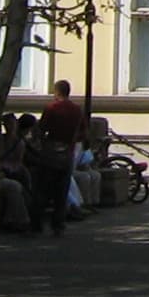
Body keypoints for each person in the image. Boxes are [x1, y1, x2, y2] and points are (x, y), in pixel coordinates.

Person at [33, 78, 85, 235]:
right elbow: (83, 132)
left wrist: (42, 144)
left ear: (56, 92)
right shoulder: (77, 109)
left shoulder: (51, 108)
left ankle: (37, 225)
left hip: (51, 152)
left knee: (43, 189)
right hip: (68, 152)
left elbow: (42, 129)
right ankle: (58, 225)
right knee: (62, 191)